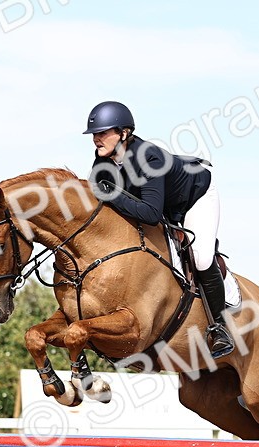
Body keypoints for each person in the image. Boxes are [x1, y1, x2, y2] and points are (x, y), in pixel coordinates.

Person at [83, 100, 234, 358]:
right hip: (162, 203)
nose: (97, 139)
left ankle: (219, 328)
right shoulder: (102, 163)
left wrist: (112, 194)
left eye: (103, 133)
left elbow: (151, 214)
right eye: (95, 134)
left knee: (200, 257)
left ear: (124, 133)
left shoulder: (149, 158)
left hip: (195, 198)